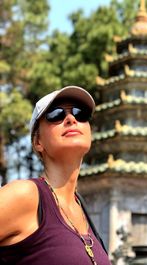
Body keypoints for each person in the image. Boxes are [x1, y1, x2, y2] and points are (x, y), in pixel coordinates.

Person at [0, 86, 112, 265]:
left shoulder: (82, 208)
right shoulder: (26, 195)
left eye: (80, 113)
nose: (71, 118)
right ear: (38, 142)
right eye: (56, 114)